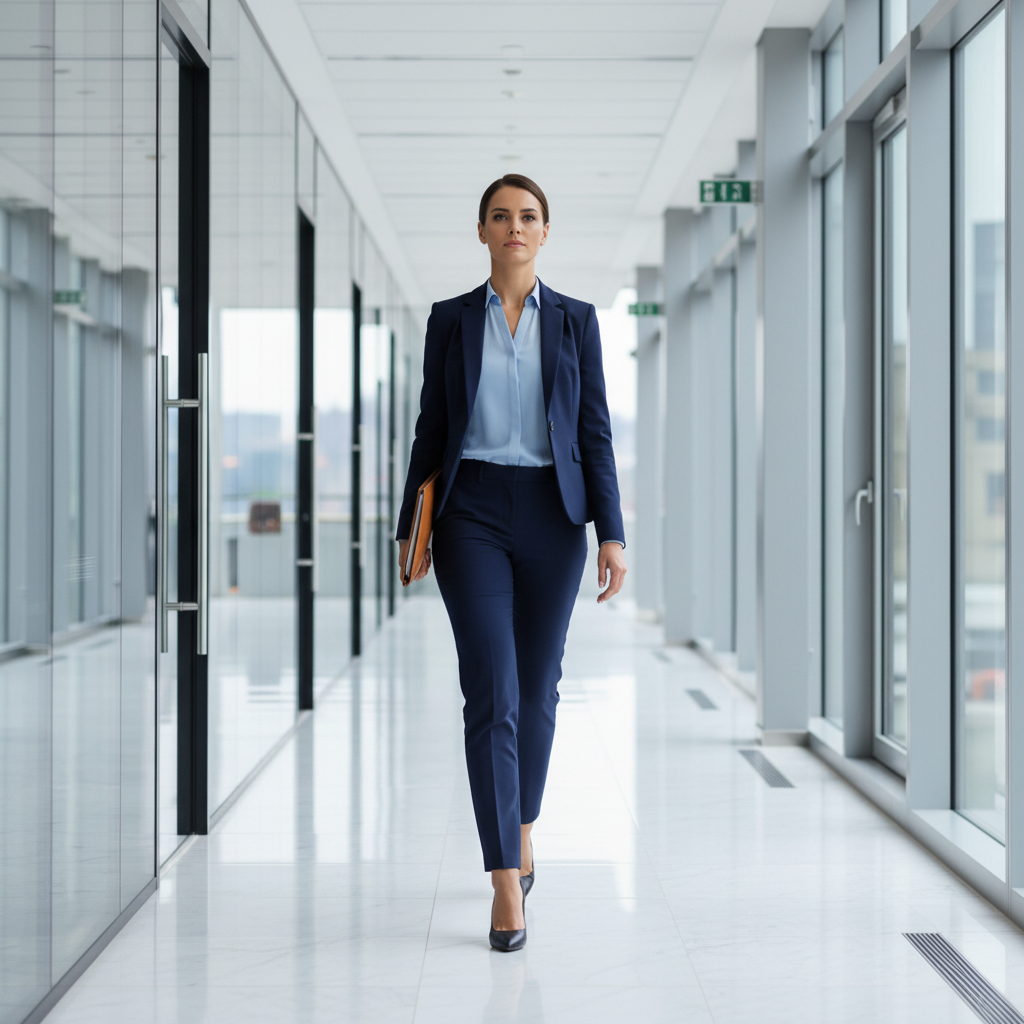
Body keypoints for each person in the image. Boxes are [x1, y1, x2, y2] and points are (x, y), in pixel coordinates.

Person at [396, 173, 627, 952]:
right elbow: (433, 423)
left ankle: (522, 823)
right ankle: (505, 880)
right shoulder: (452, 320)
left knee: (537, 690)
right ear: (483, 231)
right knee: (491, 689)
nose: (515, 227)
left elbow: (593, 431)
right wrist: (411, 524)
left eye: (528, 216)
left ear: (545, 231)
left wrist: (612, 532)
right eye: (501, 216)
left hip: (555, 517)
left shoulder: (577, 322)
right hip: (471, 514)